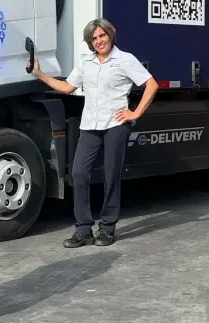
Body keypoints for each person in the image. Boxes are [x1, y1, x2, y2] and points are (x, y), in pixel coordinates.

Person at [32, 18, 158, 248]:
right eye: (95, 38)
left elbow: (151, 84)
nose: (99, 40)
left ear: (110, 35)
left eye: (103, 36)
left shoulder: (124, 59)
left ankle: (107, 228)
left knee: (111, 175)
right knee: (79, 173)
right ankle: (83, 229)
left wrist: (135, 113)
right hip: (90, 125)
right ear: (90, 42)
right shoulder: (85, 62)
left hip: (115, 125)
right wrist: (40, 74)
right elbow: (67, 87)